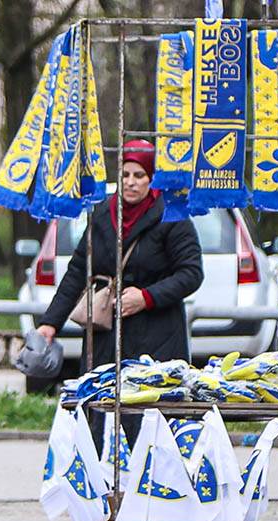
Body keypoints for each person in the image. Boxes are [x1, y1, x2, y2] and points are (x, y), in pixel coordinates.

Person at [35, 139, 203, 442]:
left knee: (152, 424)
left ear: (152, 178)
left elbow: (191, 274)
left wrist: (146, 297)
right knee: (99, 414)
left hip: (158, 337)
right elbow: (77, 272)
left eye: (139, 175)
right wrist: (50, 323)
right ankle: (101, 486)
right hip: (106, 334)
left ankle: (153, 486)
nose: (131, 182)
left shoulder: (172, 215)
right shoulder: (102, 215)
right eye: (125, 174)